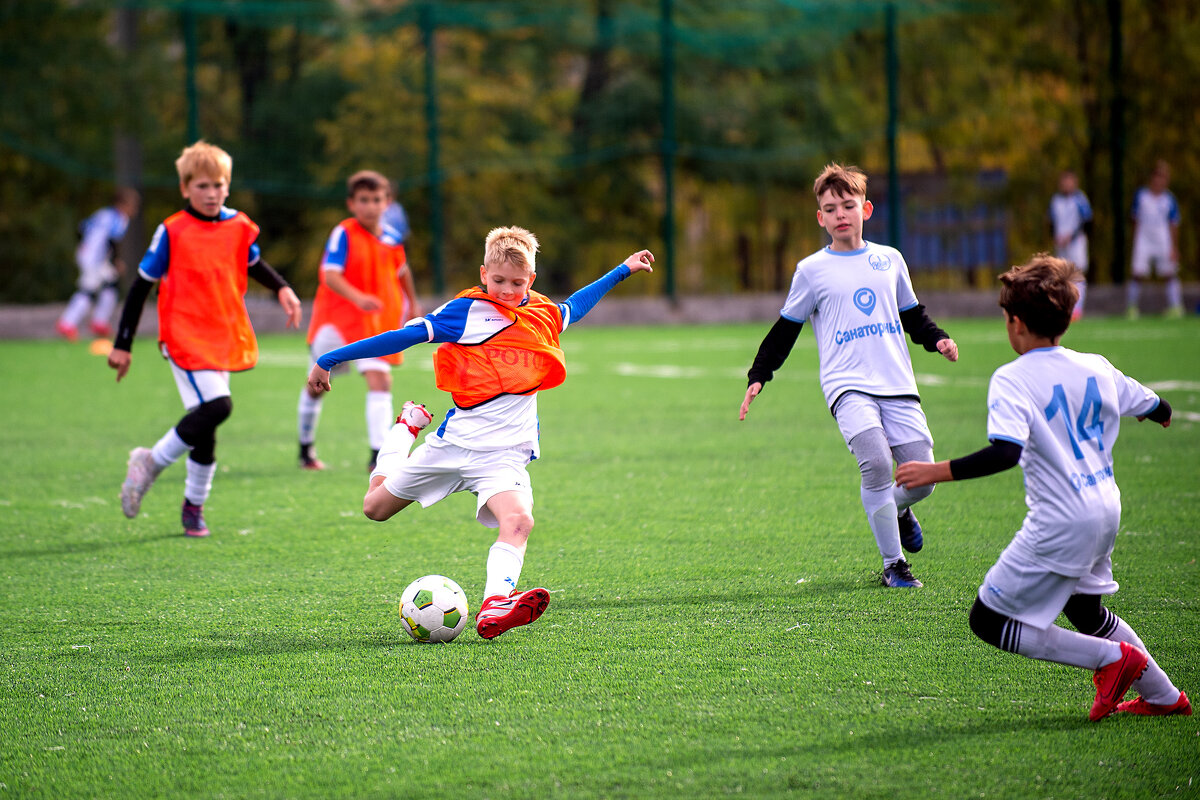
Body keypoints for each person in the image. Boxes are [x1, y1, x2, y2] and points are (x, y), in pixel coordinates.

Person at [306, 226, 654, 639]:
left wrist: (623, 270)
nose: (507, 290)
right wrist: (330, 358)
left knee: (520, 521)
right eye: (499, 280)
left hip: (504, 455)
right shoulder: (464, 312)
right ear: (484, 272)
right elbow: (403, 335)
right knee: (374, 508)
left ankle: (495, 606)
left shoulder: (539, 314)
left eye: (517, 283)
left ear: (532, 281)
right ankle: (404, 430)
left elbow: (574, 305)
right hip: (452, 446)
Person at [895, 254, 1189, 720]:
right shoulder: (1096, 365)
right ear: (1068, 317)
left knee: (988, 619)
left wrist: (932, 471)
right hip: (1106, 508)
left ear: (1015, 324)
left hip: (1062, 519)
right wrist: (1164, 415)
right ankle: (1165, 696)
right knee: (1086, 613)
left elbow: (1005, 453)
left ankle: (1110, 661)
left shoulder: (1013, 378)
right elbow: (1156, 404)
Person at [739, 163, 959, 589]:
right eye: (830, 208)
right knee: (876, 463)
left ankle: (896, 510)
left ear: (866, 209)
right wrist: (759, 373)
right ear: (819, 218)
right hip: (848, 386)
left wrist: (938, 340)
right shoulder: (811, 270)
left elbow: (914, 316)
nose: (840, 214)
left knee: (923, 478)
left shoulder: (889, 260)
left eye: (848, 205)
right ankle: (894, 564)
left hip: (897, 383)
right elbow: (786, 328)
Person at [108, 140, 303, 537]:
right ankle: (152, 462)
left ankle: (193, 508)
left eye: (218, 185)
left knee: (206, 425)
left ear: (227, 186)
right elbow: (140, 287)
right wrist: (122, 344)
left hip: (223, 334)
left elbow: (254, 264)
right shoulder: (172, 231)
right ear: (185, 188)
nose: (211, 193)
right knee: (218, 406)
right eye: (201, 186)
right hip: (184, 335)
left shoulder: (238, 226)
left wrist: (282, 288)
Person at [297, 170, 422, 471]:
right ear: (352, 204)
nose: (370, 206)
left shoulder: (392, 239)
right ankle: (305, 449)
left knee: (380, 380)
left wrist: (413, 304)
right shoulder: (344, 232)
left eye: (377, 199)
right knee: (316, 383)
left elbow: (402, 272)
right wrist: (357, 298)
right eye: (363, 200)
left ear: (387, 202)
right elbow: (330, 274)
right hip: (336, 323)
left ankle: (378, 455)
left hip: (373, 324)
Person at [57, 187, 141, 342]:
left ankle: (99, 322)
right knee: (88, 291)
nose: (135, 209)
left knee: (111, 284)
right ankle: (67, 324)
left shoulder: (102, 213)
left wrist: (85, 246)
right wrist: (115, 262)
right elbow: (113, 241)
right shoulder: (120, 218)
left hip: (86, 255)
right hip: (96, 259)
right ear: (122, 204)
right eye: (133, 205)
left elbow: (81, 228)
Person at [1127, 160, 1183, 319]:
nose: (1159, 180)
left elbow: (1174, 224)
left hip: (1163, 240)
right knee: (1137, 273)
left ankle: (1176, 306)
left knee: (1169, 273)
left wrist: (1174, 247)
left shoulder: (1169, 199)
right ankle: (1132, 307)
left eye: (1163, 177)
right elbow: (1135, 220)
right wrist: (1135, 241)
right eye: (1157, 176)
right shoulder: (1141, 196)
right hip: (1143, 239)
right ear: (1152, 178)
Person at [1047, 170, 1092, 320]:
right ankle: (1062, 308)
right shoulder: (1055, 201)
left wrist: (1071, 236)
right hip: (1061, 243)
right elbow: (1051, 222)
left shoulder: (1080, 199)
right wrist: (1055, 236)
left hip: (1076, 243)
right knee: (1060, 275)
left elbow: (1087, 222)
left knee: (1077, 274)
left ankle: (1077, 310)